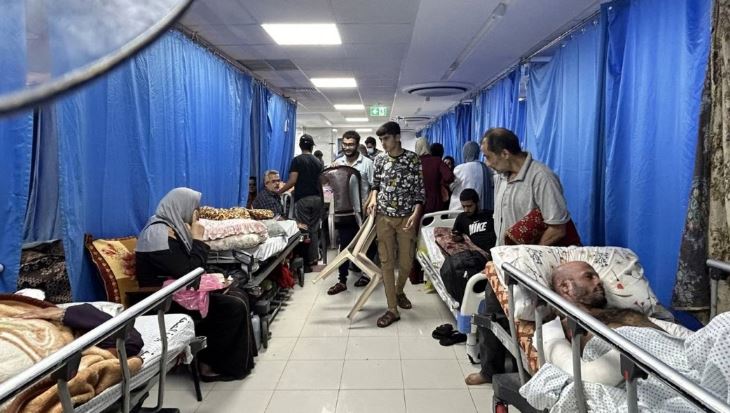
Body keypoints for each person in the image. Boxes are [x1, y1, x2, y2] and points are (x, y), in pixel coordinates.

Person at [135, 187, 256, 382]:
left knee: (238, 294)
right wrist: (198, 239)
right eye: (194, 208)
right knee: (232, 306)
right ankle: (208, 366)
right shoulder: (157, 233)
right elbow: (189, 273)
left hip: (179, 291)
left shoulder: (172, 228)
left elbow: (189, 270)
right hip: (162, 300)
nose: (196, 213)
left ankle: (235, 363)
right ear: (180, 206)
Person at [367, 121, 425, 328]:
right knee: (387, 263)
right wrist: (373, 198)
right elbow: (376, 184)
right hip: (384, 217)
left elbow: (419, 190)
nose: (383, 143)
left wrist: (416, 214)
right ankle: (392, 309)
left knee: (407, 262)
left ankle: (399, 291)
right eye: (381, 139)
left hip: (406, 217)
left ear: (397, 137)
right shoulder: (380, 159)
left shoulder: (412, 159)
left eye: (386, 139)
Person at [481, 127, 570, 246]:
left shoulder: (542, 177)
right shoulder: (500, 176)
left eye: (488, 157)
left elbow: (557, 229)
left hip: (526, 256)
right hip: (504, 253)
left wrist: (529, 254)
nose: (487, 163)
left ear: (505, 154)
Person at [327, 131, 375, 295]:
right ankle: (342, 280)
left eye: (351, 144)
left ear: (357, 144)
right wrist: (332, 172)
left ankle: (366, 274)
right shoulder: (338, 163)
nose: (347, 147)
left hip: (363, 211)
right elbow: (330, 185)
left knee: (367, 245)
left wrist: (369, 203)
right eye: (345, 144)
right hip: (344, 211)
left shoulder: (367, 163)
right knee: (344, 245)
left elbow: (374, 186)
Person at [278, 134, 325, 268]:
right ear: (312, 147)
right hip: (317, 198)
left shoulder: (297, 160)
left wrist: (279, 192)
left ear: (300, 146)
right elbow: (321, 182)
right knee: (314, 229)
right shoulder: (318, 162)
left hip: (303, 199)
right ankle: (314, 258)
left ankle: (305, 260)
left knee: (304, 229)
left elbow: (293, 180)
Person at [449, 141, 493, 212]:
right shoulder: (487, 169)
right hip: (483, 210)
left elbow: (451, 186)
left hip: (460, 210)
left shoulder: (460, 168)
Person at [415, 138, 454, 214]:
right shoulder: (437, 160)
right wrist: (441, 183)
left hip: (419, 205)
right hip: (436, 203)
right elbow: (449, 177)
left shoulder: (414, 163)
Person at [452, 188, 496, 253]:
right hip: (473, 253)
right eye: (463, 206)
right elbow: (455, 234)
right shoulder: (461, 218)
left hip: (493, 251)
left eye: (469, 206)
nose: (466, 210)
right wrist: (458, 237)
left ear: (477, 203)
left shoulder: (490, 215)